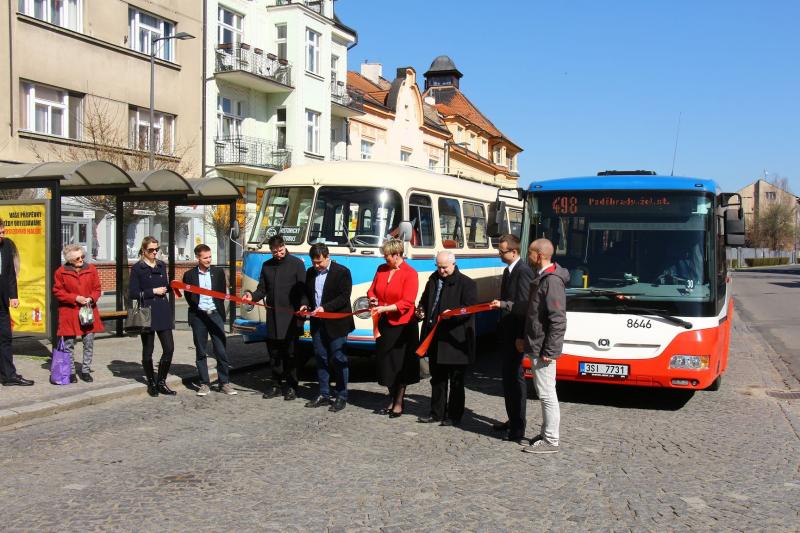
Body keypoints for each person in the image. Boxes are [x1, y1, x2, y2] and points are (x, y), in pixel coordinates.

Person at [517, 238, 569, 454]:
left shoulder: (551, 281)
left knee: (547, 394)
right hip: (538, 345)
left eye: (529, 252)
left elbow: (557, 319)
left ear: (539, 255)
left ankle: (551, 440)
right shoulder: (544, 277)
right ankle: (547, 433)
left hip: (543, 348)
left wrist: (550, 351)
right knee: (544, 392)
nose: (527, 256)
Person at [416, 251, 477, 427]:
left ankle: (454, 415)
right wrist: (421, 310)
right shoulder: (433, 279)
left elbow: (469, 309)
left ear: (453, 264)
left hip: (455, 340)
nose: (441, 270)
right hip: (434, 337)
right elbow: (426, 300)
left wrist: (451, 316)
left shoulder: (467, 284)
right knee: (437, 378)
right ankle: (436, 413)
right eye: (438, 267)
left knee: (456, 381)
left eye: (444, 267)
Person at [242, 235, 306, 401]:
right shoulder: (267, 266)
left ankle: (292, 386)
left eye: (281, 250)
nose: (278, 254)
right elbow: (261, 289)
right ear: (271, 251)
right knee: (274, 353)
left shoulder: (297, 264)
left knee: (291, 354)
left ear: (284, 246)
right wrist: (251, 296)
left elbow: (303, 290)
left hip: (292, 317)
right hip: (273, 317)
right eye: (275, 251)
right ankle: (276, 384)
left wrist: (304, 305)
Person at [488, 234, 533, 443]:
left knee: (515, 380)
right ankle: (512, 418)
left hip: (515, 334)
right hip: (507, 331)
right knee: (507, 379)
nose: (499, 253)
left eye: (502, 251)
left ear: (513, 252)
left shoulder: (523, 272)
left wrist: (519, 336)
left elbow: (524, 307)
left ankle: (518, 428)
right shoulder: (509, 271)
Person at [367, 238, 419, 418]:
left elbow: (407, 302)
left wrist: (385, 307)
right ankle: (392, 396)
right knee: (385, 364)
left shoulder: (410, 273)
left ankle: (398, 402)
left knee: (400, 365)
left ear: (397, 255)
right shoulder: (381, 269)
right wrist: (373, 299)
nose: (385, 259)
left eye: (387, 256)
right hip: (384, 324)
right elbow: (372, 290)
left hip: (402, 326)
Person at [300, 243, 354, 413]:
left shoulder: (342, 272)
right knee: (321, 357)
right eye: (313, 262)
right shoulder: (310, 273)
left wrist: (325, 308)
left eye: (319, 262)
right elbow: (307, 294)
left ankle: (341, 395)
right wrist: (304, 305)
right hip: (317, 323)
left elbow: (344, 297)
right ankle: (324, 393)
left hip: (337, 323)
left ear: (327, 257)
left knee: (338, 359)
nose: (316, 266)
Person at [182, 244, 236, 397]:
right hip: (199, 316)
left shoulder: (218, 272)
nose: (208, 260)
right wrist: (198, 307)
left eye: (210, 257)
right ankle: (204, 383)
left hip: (215, 315)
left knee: (220, 349)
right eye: (205, 258)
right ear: (198, 258)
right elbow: (188, 296)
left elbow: (221, 294)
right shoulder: (189, 275)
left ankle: (224, 382)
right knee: (201, 351)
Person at [129, 236, 175, 397]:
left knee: (169, 348)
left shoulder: (162, 265)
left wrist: (171, 287)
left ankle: (161, 381)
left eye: (157, 249)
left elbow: (165, 286)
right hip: (146, 311)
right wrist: (152, 291)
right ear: (143, 250)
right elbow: (133, 293)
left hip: (162, 309)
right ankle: (151, 382)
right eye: (151, 250)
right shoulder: (137, 268)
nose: (154, 252)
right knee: (148, 349)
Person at [52, 244, 103, 383]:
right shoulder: (60, 272)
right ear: (69, 260)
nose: (81, 260)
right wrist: (75, 298)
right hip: (69, 312)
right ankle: (71, 372)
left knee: (89, 342)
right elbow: (58, 292)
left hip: (88, 311)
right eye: (77, 258)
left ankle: (86, 370)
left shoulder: (91, 269)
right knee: (69, 344)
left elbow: (97, 288)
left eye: (82, 256)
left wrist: (91, 298)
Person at [0, 219, 33, 387]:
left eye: (3, 232)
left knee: (5, 337)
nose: (3, 235)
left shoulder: (6, 246)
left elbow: (10, 274)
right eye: (1, 232)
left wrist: (14, 296)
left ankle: (8, 375)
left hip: (2, 301)